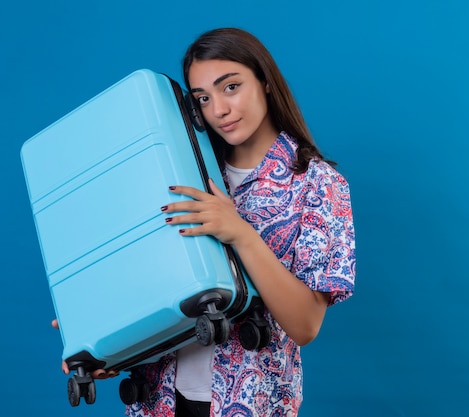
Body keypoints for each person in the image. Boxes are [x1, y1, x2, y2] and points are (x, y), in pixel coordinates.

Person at [56, 27, 356, 417]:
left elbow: (305, 325)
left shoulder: (318, 185)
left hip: (248, 403)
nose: (219, 110)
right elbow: (150, 284)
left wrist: (240, 232)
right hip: (157, 399)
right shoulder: (177, 173)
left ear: (265, 81)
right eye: (203, 97)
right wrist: (100, 336)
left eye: (231, 87)